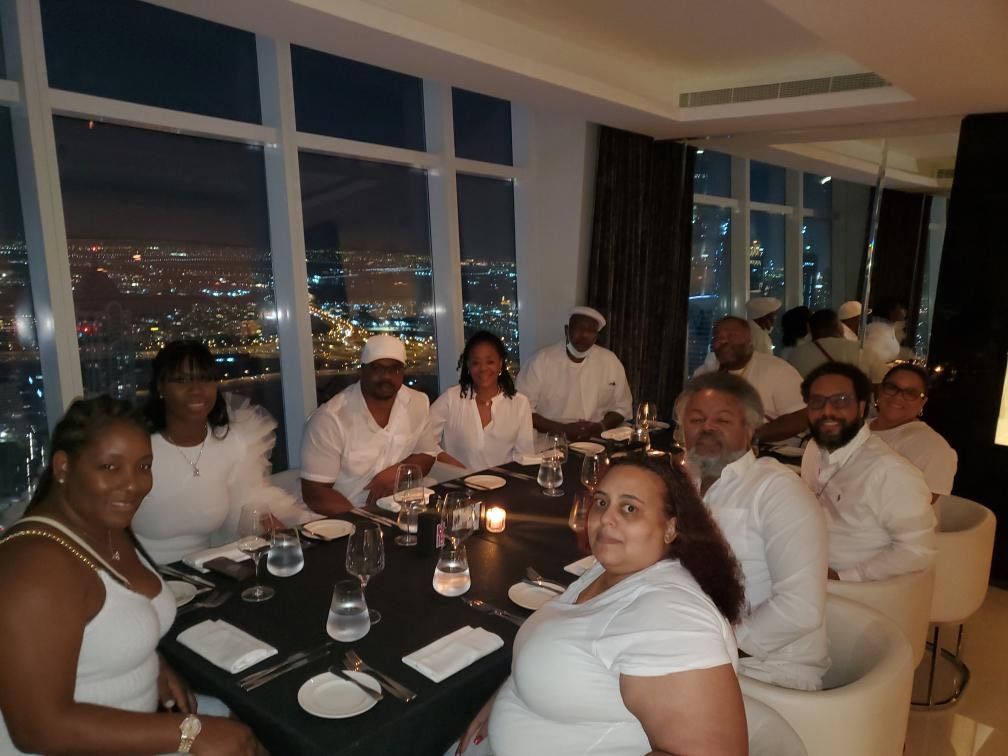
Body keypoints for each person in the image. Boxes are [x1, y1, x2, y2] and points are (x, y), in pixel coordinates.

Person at [0, 396, 257, 755]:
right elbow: (37, 729)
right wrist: (189, 734)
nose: (133, 484)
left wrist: (151, 662)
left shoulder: (104, 525)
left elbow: (108, 627)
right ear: (63, 467)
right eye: (109, 467)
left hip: (137, 721)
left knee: (257, 728)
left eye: (143, 466)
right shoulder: (34, 568)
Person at [457, 457, 747, 756]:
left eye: (629, 508)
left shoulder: (671, 620)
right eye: (601, 502)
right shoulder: (615, 569)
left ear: (670, 528)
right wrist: (514, 688)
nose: (606, 517)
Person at [676, 371, 829, 690]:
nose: (707, 428)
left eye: (723, 419)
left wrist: (717, 650)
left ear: (750, 429)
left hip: (764, 670)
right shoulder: (685, 485)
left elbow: (801, 609)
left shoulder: (776, 491)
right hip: (697, 646)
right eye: (696, 419)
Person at [132, 341, 304, 564]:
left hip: (204, 571)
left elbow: (249, 506)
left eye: (205, 379)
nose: (196, 390)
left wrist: (288, 541)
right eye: (182, 380)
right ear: (160, 388)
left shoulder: (231, 442)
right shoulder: (138, 447)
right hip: (141, 571)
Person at [800, 362, 936, 581]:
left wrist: (844, 576)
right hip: (803, 568)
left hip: (851, 590)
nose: (827, 411)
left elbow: (918, 552)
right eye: (817, 402)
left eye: (841, 401)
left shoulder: (890, 472)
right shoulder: (814, 449)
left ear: (861, 407)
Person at [300, 334, 437, 513]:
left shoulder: (417, 402)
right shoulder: (330, 419)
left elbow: (427, 454)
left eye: (394, 369)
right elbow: (314, 492)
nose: (386, 376)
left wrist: (398, 473)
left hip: (400, 506)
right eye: (377, 368)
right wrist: (362, 520)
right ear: (362, 370)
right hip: (345, 513)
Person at [516, 306, 632, 445]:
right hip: (551, 441)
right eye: (579, 328)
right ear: (567, 330)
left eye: (591, 331)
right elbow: (521, 409)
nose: (584, 335)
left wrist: (600, 426)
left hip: (597, 439)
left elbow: (622, 407)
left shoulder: (610, 361)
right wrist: (562, 429)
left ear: (596, 335)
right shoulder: (540, 361)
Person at [425, 331, 535, 472]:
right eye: (476, 363)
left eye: (490, 362)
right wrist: (455, 467)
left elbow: (524, 457)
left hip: (504, 483)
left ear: (500, 364)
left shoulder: (520, 403)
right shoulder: (451, 399)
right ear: (468, 366)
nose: (483, 368)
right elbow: (424, 441)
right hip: (458, 482)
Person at [695, 316, 808, 443]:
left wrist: (750, 436)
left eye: (731, 335)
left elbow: (801, 418)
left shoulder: (777, 369)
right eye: (718, 338)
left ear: (749, 340)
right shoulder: (707, 372)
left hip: (774, 449)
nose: (724, 342)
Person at [870, 363, 957, 502]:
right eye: (892, 387)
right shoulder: (856, 429)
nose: (898, 397)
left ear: (923, 402)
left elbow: (916, 508)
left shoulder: (934, 448)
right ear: (879, 391)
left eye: (911, 393)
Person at [787, 309, 887, 384]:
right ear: (839, 327)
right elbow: (882, 379)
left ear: (809, 329)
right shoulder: (861, 349)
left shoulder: (796, 355)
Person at [863, 297, 906, 364]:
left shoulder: (889, 327)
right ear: (891, 311)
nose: (904, 311)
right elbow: (872, 357)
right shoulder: (878, 328)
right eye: (900, 308)